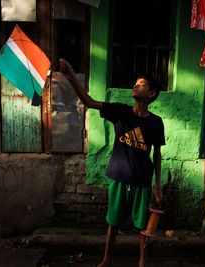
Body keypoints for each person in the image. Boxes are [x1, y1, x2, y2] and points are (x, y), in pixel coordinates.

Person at [59, 58, 165, 267]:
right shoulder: (121, 111)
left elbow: (158, 154)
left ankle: (142, 261)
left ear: (151, 94)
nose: (135, 85)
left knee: (142, 226)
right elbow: (89, 102)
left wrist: (157, 185)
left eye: (142, 84)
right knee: (113, 222)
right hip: (119, 177)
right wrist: (72, 78)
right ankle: (106, 259)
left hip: (142, 181)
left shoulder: (155, 122)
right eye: (135, 83)